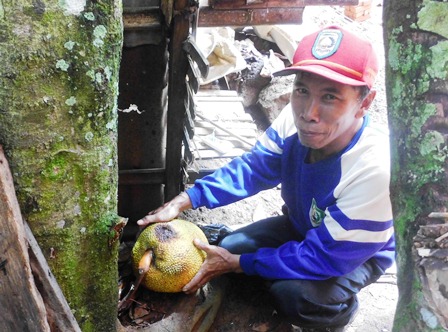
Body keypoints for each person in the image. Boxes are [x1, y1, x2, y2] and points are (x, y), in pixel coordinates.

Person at [137, 25, 395, 332]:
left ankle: (339, 313)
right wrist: (187, 199)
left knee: (294, 296)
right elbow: (253, 170)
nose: (309, 112)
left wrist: (239, 263)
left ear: (365, 102)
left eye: (330, 96)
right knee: (233, 244)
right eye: (302, 90)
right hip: (301, 225)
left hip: (351, 253)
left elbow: (323, 257)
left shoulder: (374, 169)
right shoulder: (294, 120)